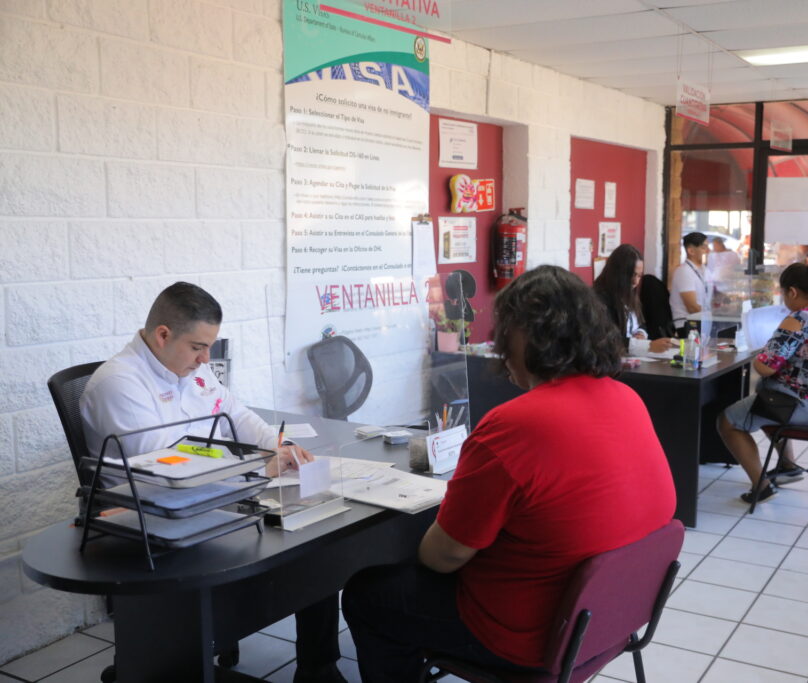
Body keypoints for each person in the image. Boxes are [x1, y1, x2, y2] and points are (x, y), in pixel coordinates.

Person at [341, 266, 676, 682]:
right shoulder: (627, 398)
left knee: (368, 596)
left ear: (526, 335)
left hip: (529, 636)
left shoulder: (515, 425)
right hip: (609, 618)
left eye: (504, 331)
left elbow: (443, 557)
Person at [80, 282, 343, 683]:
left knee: (316, 541)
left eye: (209, 347)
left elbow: (236, 413)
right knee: (298, 549)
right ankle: (178, 657)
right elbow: (169, 471)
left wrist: (277, 445)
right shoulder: (119, 384)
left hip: (214, 500)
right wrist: (259, 469)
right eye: (198, 347)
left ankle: (318, 669)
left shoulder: (188, 368)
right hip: (155, 522)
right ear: (163, 335)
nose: (205, 359)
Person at [717, 263, 808, 502]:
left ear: (792, 292)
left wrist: (763, 352)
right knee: (765, 403)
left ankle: (761, 487)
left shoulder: (800, 318)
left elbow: (764, 367)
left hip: (807, 408)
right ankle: (788, 466)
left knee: (727, 421)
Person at [593, 244, 674, 355]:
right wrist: (647, 346)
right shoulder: (600, 299)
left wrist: (641, 333)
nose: (636, 281)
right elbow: (607, 339)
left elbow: (640, 323)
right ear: (618, 273)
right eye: (632, 275)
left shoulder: (629, 295)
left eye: (639, 276)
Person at [670, 231, 711, 335]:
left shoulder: (704, 270)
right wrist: (714, 315)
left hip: (702, 321)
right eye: (704, 247)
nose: (708, 251)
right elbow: (692, 308)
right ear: (691, 251)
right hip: (687, 325)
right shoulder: (684, 271)